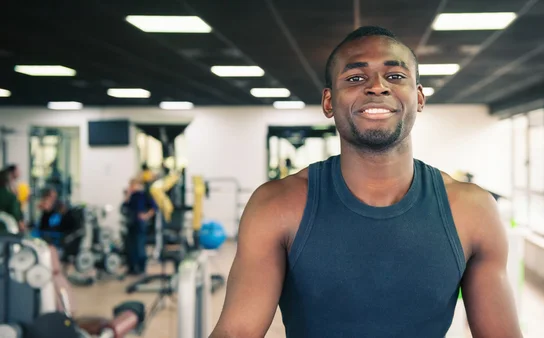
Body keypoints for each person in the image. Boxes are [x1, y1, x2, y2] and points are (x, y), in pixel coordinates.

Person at [210, 26, 522, 338]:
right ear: (329, 102)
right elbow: (236, 332)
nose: (377, 87)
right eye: (356, 78)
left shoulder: (472, 210)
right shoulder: (276, 206)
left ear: (419, 98)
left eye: (396, 76)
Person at [122, 177, 157, 275]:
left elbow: (154, 207)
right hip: (130, 223)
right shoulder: (131, 196)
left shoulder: (144, 195)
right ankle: (132, 268)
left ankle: (141, 268)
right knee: (130, 246)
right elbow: (124, 207)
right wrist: (128, 195)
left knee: (139, 246)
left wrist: (146, 216)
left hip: (140, 224)